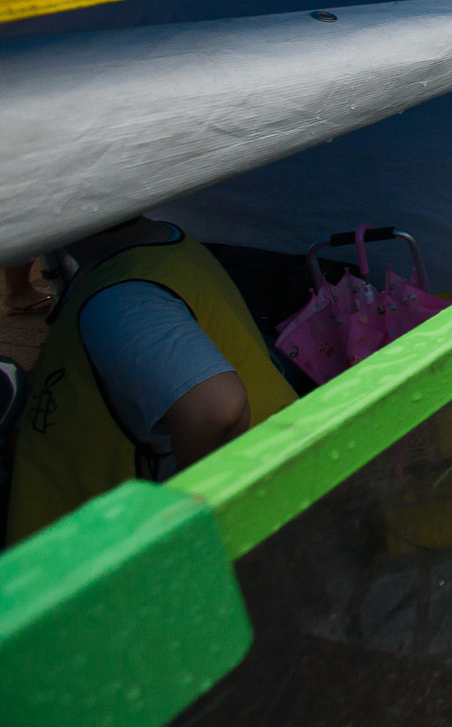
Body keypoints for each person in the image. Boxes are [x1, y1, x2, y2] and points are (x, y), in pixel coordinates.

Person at [7, 217, 299, 542]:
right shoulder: (160, 242)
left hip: (108, 551)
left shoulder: (120, 299)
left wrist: (191, 524)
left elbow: (217, 408)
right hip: (271, 481)